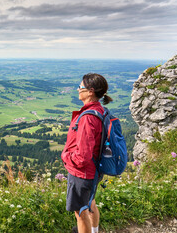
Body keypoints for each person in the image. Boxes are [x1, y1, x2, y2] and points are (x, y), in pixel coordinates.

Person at [61, 73, 113, 233]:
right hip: (95, 169)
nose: (78, 90)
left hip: (82, 172)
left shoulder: (87, 118)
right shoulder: (100, 110)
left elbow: (82, 156)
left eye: (80, 87)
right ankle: (95, 230)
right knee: (90, 202)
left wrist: (66, 157)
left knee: (80, 211)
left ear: (90, 91)